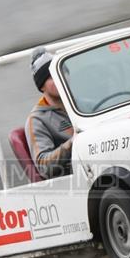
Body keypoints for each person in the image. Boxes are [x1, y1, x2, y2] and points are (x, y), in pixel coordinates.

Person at [25, 47, 74, 179]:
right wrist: (75, 142)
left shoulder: (83, 104)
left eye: (62, 73)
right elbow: (44, 166)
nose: (59, 79)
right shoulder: (36, 120)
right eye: (51, 77)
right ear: (41, 85)